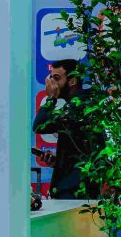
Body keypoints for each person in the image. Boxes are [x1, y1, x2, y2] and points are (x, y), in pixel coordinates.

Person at [32, 58, 103, 200]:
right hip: (76, 187)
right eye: (51, 78)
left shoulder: (79, 106)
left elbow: (39, 125)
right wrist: (60, 161)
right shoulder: (81, 104)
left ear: (73, 81)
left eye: (56, 78)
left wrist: (51, 98)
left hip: (75, 191)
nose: (52, 83)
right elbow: (81, 149)